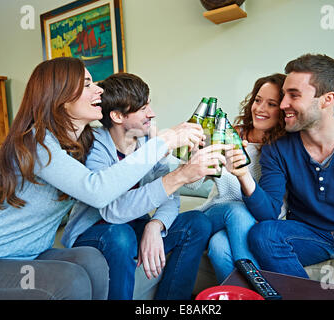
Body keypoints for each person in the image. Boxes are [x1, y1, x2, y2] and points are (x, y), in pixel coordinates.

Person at [0, 57, 204, 300]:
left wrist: (182, 159)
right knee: (72, 279)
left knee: (91, 261)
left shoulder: (80, 145)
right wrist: (163, 141)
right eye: (88, 84)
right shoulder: (37, 143)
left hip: (31, 254)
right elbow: (97, 191)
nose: (99, 89)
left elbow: (145, 165)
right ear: (60, 96)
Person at [61, 72, 228, 300]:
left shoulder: (148, 142)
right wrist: (179, 175)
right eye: (142, 108)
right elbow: (113, 211)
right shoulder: (93, 147)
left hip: (134, 225)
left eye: (149, 104)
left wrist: (155, 226)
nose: (152, 113)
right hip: (98, 230)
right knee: (121, 236)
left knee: (196, 223)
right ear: (118, 116)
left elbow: (170, 194)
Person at [236, 53, 334, 290]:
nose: (283, 103)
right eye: (284, 94)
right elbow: (268, 213)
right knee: (264, 234)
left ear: (327, 99)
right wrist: (242, 174)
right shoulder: (277, 149)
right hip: (311, 235)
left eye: (293, 95)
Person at [183, 73, 288, 282]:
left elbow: (276, 205)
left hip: (258, 223)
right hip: (217, 213)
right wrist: (196, 153)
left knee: (219, 247)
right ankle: (260, 290)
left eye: (271, 104)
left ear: (284, 109)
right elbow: (193, 186)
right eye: (257, 100)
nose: (260, 109)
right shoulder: (227, 135)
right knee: (237, 210)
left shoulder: (284, 149)